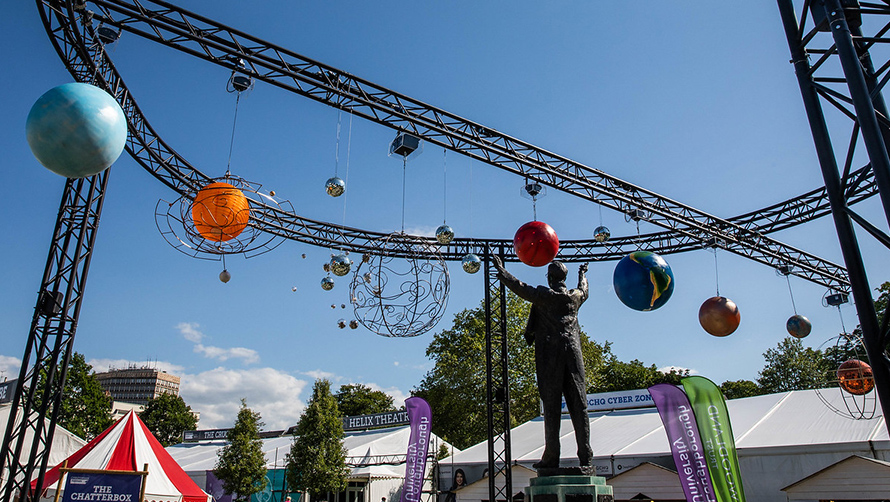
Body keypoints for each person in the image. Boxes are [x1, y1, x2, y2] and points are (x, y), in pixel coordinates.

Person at [492, 256, 592, 470]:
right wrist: (582, 274)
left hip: (550, 357)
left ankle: (551, 456)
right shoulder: (573, 297)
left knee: (552, 406)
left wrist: (501, 271)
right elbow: (584, 290)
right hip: (574, 355)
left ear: (549, 278)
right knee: (579, 404)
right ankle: (585, 453)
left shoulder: (544, 295)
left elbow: (520, 287)